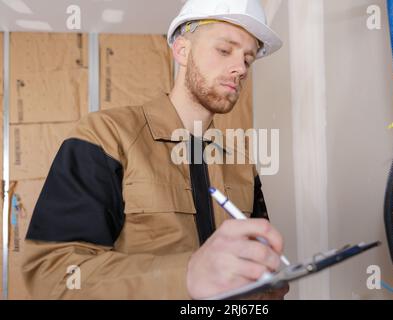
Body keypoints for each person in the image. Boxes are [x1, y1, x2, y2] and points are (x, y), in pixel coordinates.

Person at [22, 0, 289, 299]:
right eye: (225, 50)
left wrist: (264, 288)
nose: (240, 68)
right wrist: (187, 275)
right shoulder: (106, 135)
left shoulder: (242, 165)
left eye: (248, 59)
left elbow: (256, 263)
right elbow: (54, 275)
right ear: (182, 51)